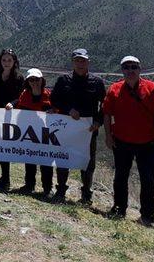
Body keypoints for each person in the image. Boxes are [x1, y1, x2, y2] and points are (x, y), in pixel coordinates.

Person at [103, 56, 154, 225]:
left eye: (134, 67)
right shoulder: (114, 89)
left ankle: (148, 214)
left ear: (140, 69)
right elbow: (106, 113)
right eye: (127, 67)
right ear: (122, 70)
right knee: (120, 177)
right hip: (121, 142)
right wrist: (107, 135)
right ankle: (119, 208)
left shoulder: (152, 88)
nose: (130, 70)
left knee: (147, 179)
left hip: (147, 143)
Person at [50, 49, 106, 202]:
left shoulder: (97, 82)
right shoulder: (63, 80)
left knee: (88, 162)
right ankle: (60, 190)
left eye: (83, 61)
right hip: (66, 129)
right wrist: (68, 110)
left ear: (88, 62)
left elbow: (105, 105)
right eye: (77, 61)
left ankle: (86, 194)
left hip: (88, 130)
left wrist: (98, 122)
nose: (80, 64)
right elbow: (54, 100)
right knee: (63, 159)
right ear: (72, 62)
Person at [0, 48, 25, 191]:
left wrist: (13, 104)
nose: (7, 62)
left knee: (7, 146)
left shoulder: (19, 77)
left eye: (9, 60)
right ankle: (4, 176)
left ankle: (7, 178)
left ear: (14, 61)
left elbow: (20, 96)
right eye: (4, 60)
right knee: (0, 145)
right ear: (0, 61)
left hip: (11, 115)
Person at [16, 69, 54, 196]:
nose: (34, 82)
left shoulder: (49, 95)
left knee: (46, 162)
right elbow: (20, 111)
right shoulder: (25, 95)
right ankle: (29, 185)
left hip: (46, 134)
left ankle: (47, 188)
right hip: (30, 133)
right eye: (31, 80)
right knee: (30, 159)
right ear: (27, 81)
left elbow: (57, 112)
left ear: (42, 80)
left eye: (37, 79)